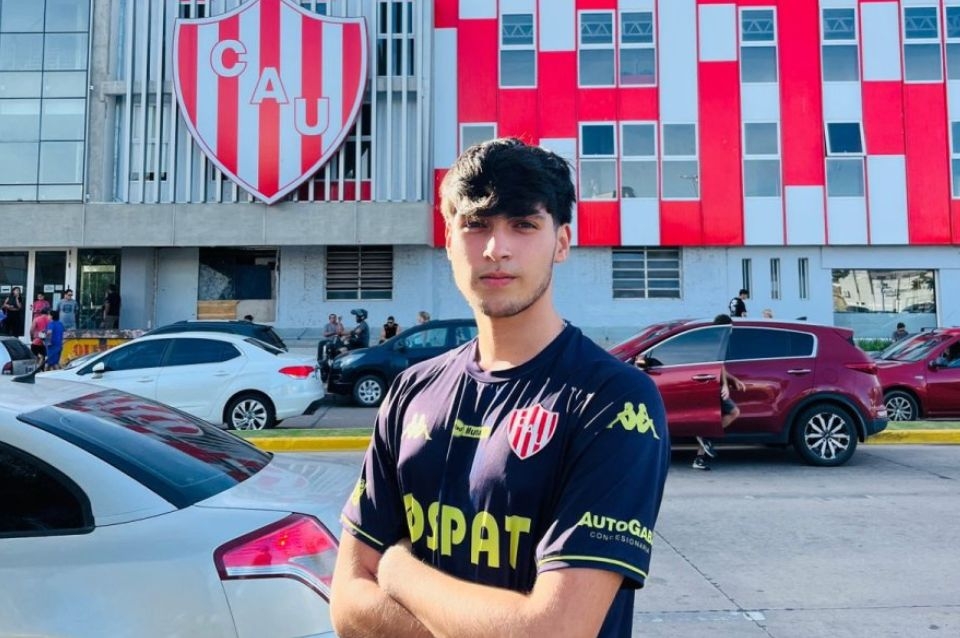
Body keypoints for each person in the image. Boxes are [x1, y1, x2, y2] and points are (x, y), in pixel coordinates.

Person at [331, 138, 670, 638]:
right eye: (476, 224)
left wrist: (399, 572)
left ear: (561, 243)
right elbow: (347, 604)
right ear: (449, 241)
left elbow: (555, 632)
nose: (497, 248)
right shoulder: (410, 391)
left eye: (524, 224)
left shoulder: (613, 400)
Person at [693, 314, 747, 471]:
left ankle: (699, 458)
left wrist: (732, 379)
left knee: (713, 418)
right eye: (730, 328)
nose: (731, 331)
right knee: (734, 412)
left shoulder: (712, 339)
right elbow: (717, 365)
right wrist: (724, 385)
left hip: (705, 382)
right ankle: (704, 436)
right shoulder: (714, 341)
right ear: (724, 327)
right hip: (707, 383)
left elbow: (720, 366)